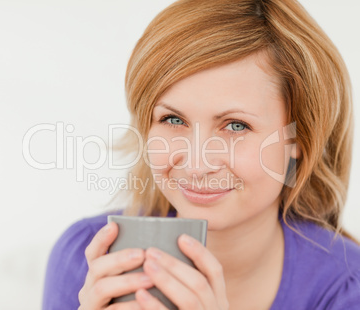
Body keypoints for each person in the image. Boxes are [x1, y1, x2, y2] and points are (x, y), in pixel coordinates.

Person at [43, 0, 360, 309]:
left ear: (298, 138)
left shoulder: (346, 289)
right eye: (173, 120)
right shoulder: (84, 261)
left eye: (235, 126)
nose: (197, 165)